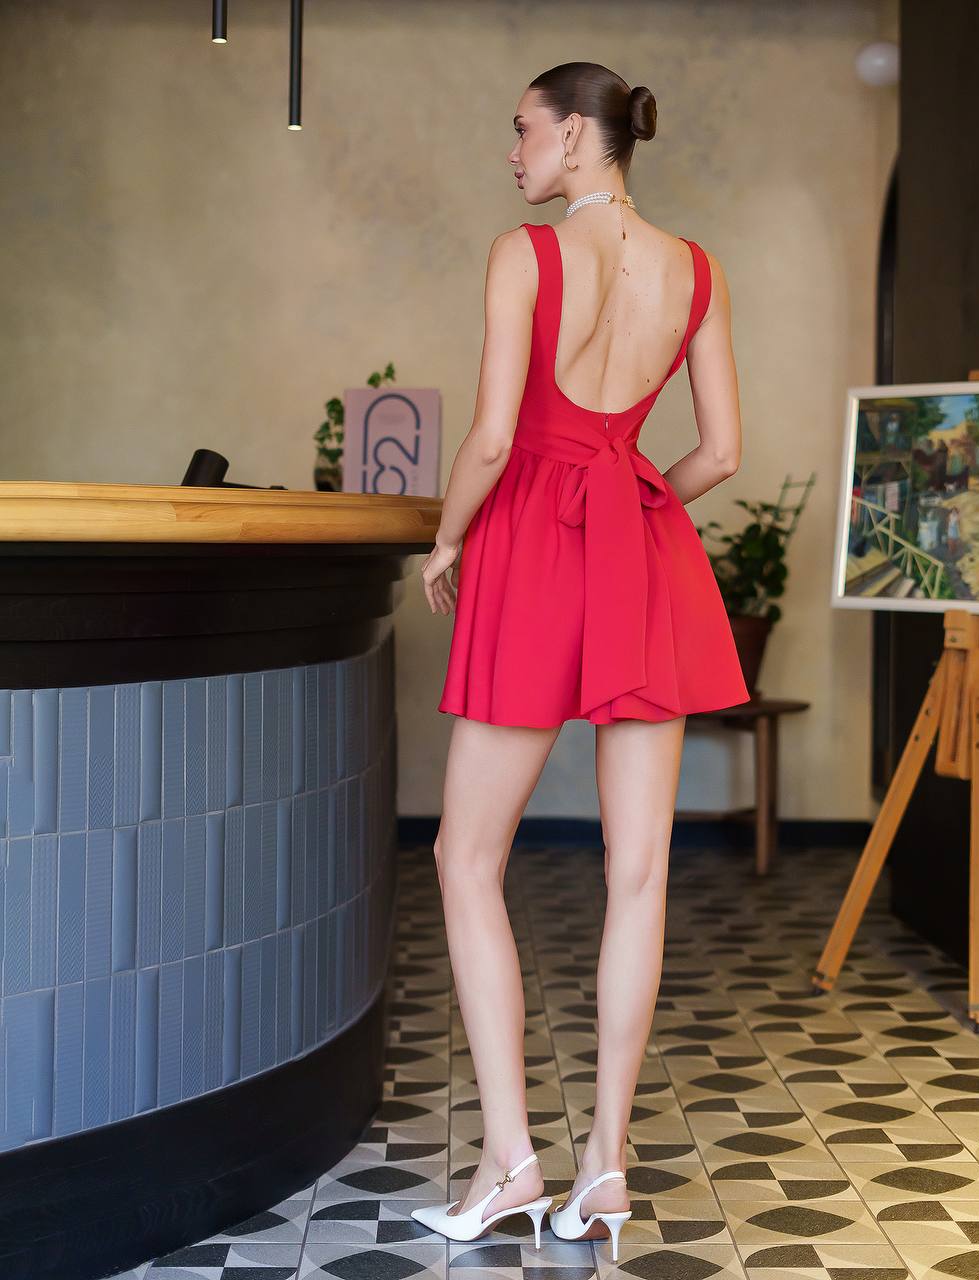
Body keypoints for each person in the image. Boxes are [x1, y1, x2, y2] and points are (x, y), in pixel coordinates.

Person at [414, 61, 749, 1255]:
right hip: (642, 549)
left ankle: (512, 1158)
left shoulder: (527, 252)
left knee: (464, 855)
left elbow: (499, 433)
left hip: (531, 553)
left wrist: (444, 536)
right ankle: (603, 1167)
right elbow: (718, 451)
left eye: (520, 131)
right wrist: (634, 494)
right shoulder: (695, 268)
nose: (512, 153)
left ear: (571, 135)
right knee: (639, 871)